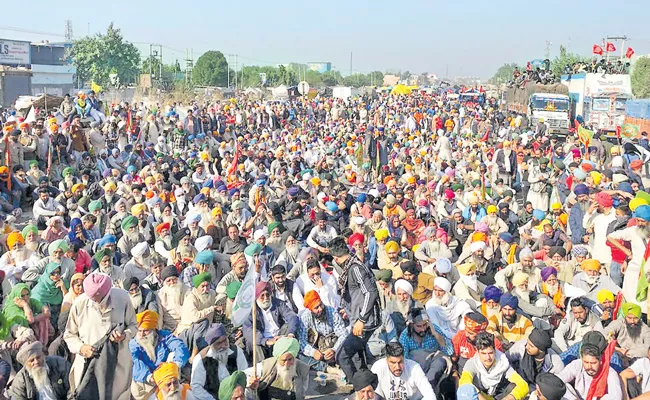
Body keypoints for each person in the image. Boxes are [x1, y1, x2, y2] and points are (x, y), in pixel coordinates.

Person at [64, 273, 137, 399]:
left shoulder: (122, 298)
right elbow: (69, 335)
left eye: (100, 299)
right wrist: (81, 348)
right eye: (93, 299)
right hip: (88, 364)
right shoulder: (80, 304)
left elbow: (134, 326)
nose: (97, 302)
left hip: (118, 364)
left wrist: (124, 335)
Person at [459, 331, 529, 400]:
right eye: (483, 353)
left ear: (495, 351)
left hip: (499, 396)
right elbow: (464, 383)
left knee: (513, 386)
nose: (488, 357)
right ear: (477, 352)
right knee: (467, 391)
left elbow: (523, 385)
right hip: (480, 397)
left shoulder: (502, 363)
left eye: (491, 353)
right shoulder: (472, 363)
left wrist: (508, 398)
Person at [557, 331, 622, 400]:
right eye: (586, 362)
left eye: (593, 363)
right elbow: (557, 380)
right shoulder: (577, 364)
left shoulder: (611, 370)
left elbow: (616, 397)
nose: (589, 367)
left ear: (601, 359)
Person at [190, 323, 249, 400]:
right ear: (211, 345)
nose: (223, 345)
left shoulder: (236, 351)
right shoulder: (201, 359)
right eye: (218, 343)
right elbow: (196, 387)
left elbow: (245, 373)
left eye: (224, 340)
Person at [243, 281, 298, 361]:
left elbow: (292, 317)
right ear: (257, 297)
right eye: (262, 296)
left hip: (278, 336)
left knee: (287, 327)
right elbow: (248, 330)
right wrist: (266, 341)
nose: (266, 298)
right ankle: (263, 368)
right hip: (263, 340)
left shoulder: (278, 303)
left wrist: (290, 333)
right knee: (255, 342)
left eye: (267, 295)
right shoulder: (251, 309)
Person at [245, 337, 309, 399]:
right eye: (283, 360)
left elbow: (303, 391)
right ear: (278, 358)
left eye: (290, 359)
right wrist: (250, 381)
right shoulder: (266, 366)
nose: (287, 364)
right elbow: (243, 375)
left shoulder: (303, 369)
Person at [370, 342, 436, 400]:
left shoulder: (414, 367)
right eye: (393, 363)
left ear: (404, 358)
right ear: (386, 360)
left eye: (400, 362)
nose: (397, 367)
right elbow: (372, 395)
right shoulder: (378, 367)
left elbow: (430, 395)